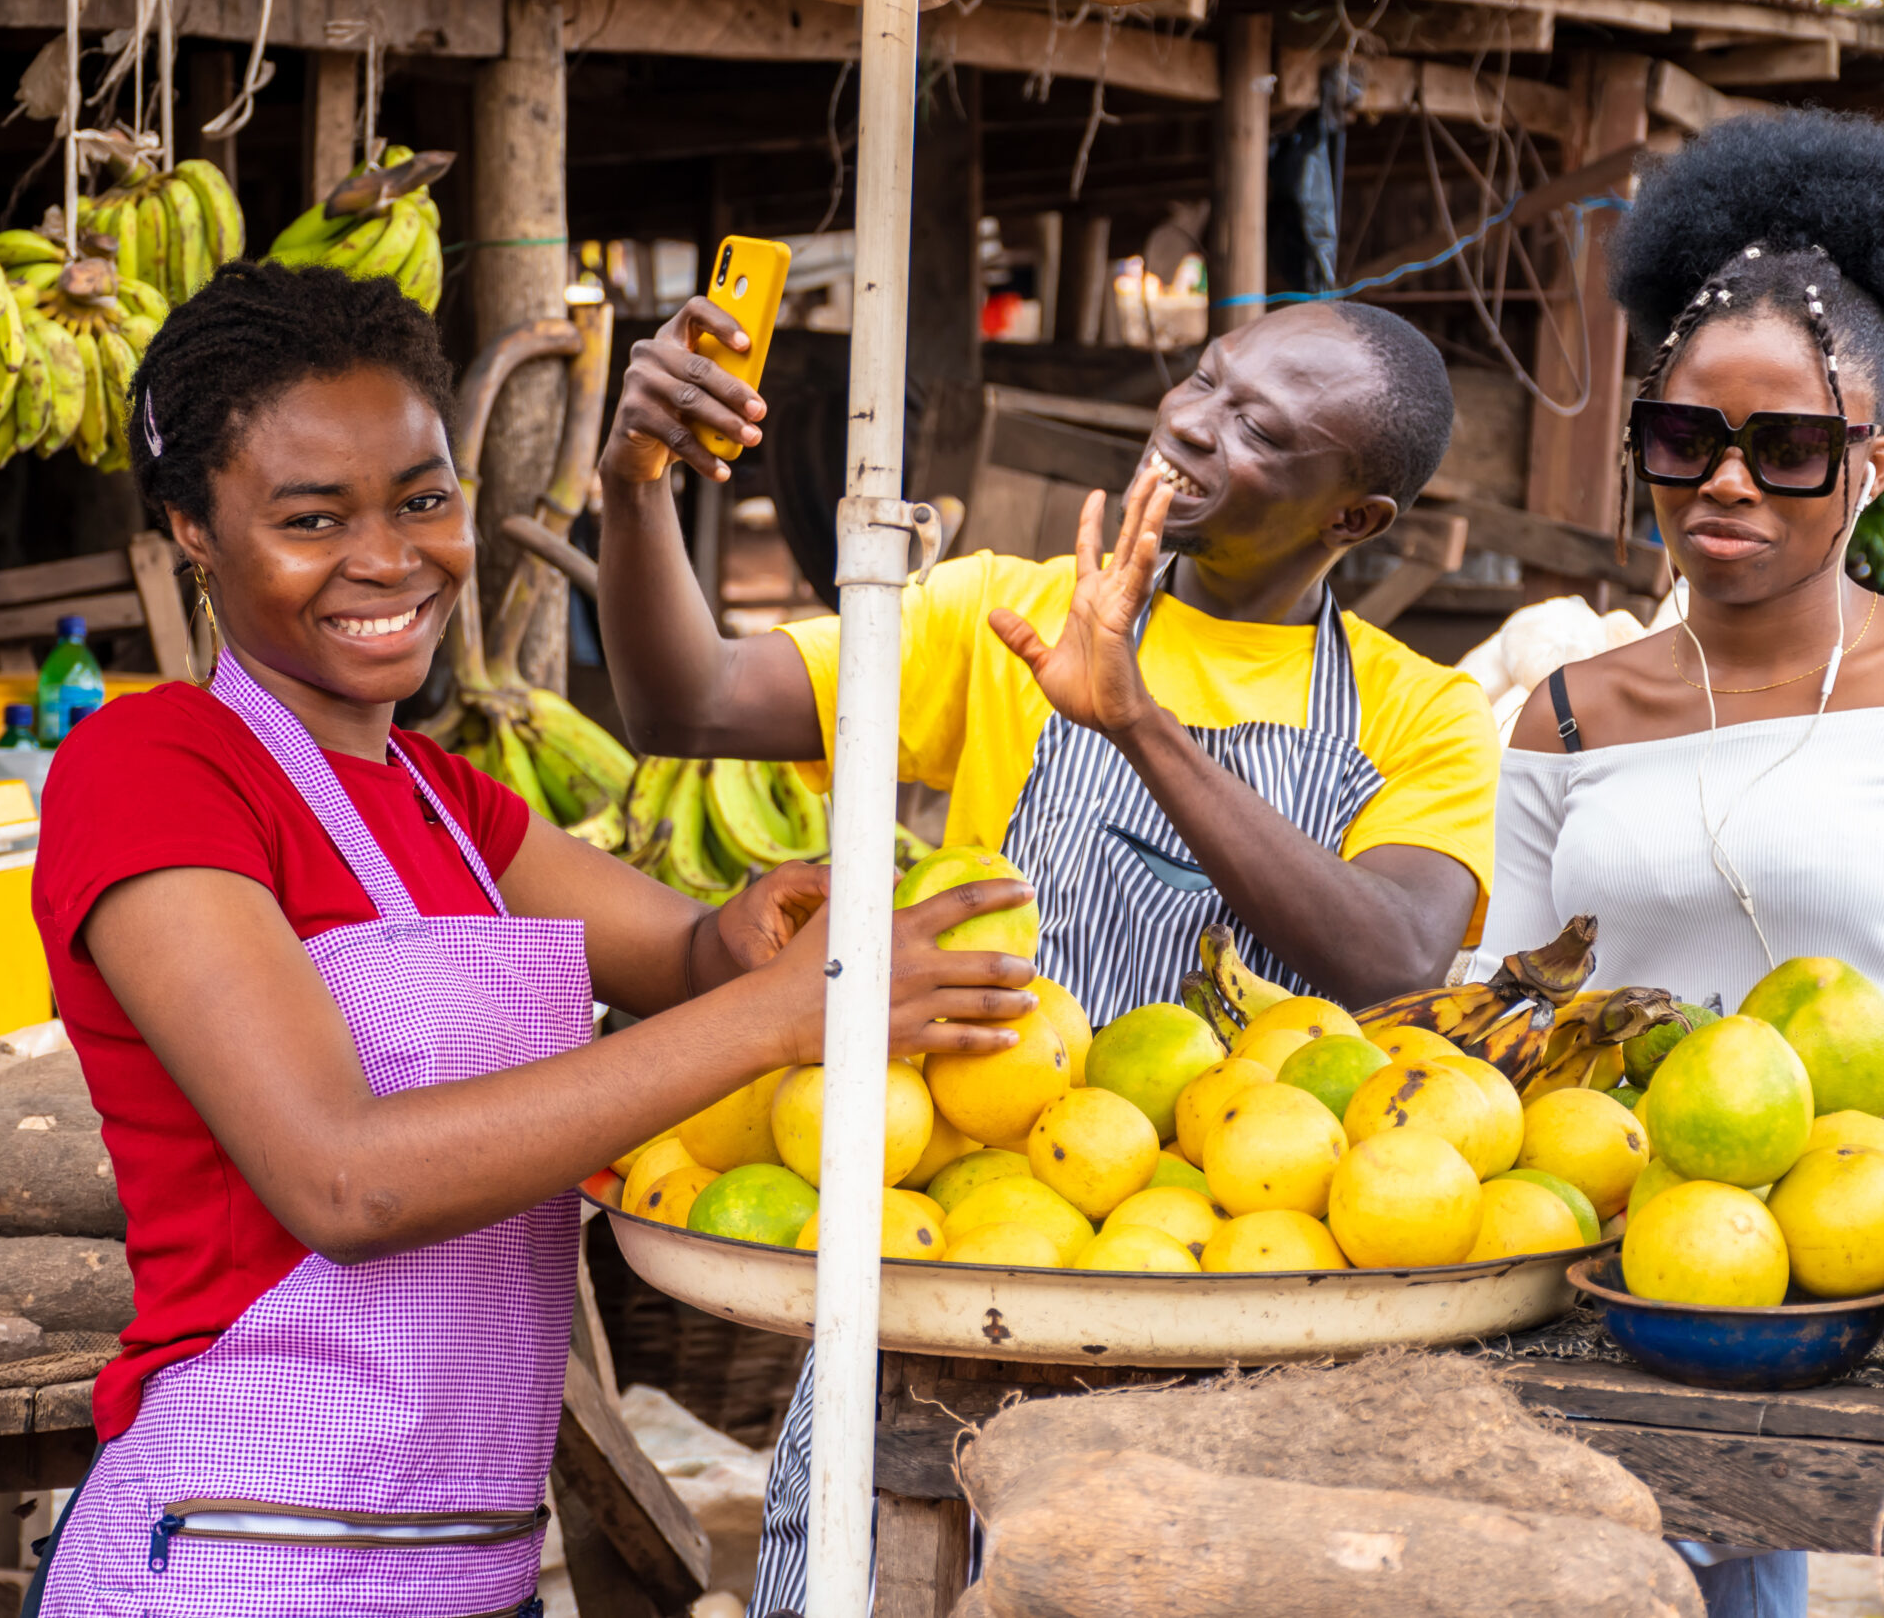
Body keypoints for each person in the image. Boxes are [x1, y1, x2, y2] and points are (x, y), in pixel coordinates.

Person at [21, 262, 1039, 1618]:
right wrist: (786, 1012)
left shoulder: (447, 805)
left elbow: (688, 960)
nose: (390, 560)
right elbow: (343, 1185)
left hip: (470, 1566)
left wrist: (754, 937)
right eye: (312, 519)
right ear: (193, 532)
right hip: (239, 1554)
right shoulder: (149, 769)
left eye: (425, 501)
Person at [594, 296, 1501, 1612]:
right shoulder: (991, 617)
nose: (1191, 423)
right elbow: (684, 700)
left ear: (1353, 518)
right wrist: (634, 487)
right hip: (952, 1265)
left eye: (1259, 427)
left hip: (1240, 1303)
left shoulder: (1422, 714)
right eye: (1201, 379)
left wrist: (1135, 719)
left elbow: (1396, 960)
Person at [1472, 111, 1884, 1618]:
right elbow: (1499, 1015)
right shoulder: (1568, 712)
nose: (1726, 483)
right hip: (1623, 1280)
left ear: (1874, 465)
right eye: (1684, 437)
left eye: (1787, 449)